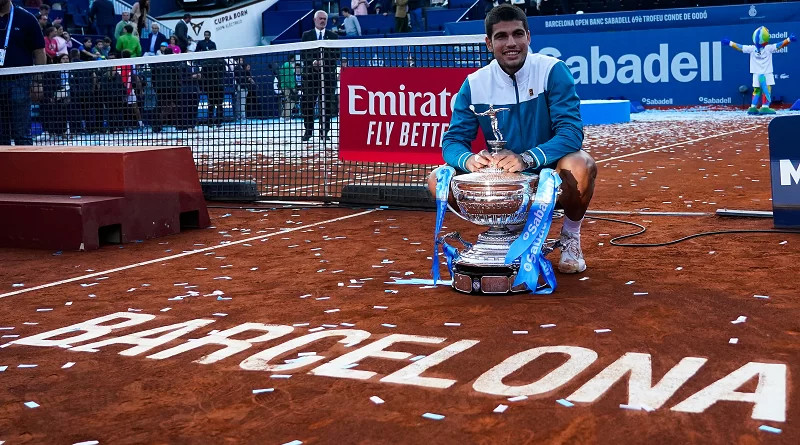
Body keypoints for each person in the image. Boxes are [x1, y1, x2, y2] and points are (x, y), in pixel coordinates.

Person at [428, 4, 595, 274]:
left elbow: (571, 133)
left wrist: (527, 158)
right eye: (501, 37)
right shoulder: (474, 83)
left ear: (529, 36)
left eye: (518, 34)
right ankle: (504, 227)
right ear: (488, 43)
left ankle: (570, 237)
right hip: (501, 180)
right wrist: (469, 160)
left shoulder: (553, 70)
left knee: (581, 164)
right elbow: (452, 141)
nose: (511, 43)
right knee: (437, 179)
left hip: (547, 174)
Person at [0, 0, 46, 145]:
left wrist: (38, 81)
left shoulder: (26, 18)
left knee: (22, 133)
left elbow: (39, 51)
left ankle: (26, 167)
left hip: (20, 81)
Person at [722, 27, 796, 115]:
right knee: (767, 90)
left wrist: (729, 42)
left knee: (756, 90)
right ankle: (765, 107)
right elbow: (780, 45)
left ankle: (752, 107)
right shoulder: (769, 48)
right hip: (767, 73)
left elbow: (740, 47)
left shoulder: (752, 49)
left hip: (756, 74)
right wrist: (789, 39)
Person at [300, 10, 340, 141]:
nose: (323, 21)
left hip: (327, 77)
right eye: (320, 18)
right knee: (307, 104)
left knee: (327, 105)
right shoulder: (306, 35)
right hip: (310, 77)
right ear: (315, 20)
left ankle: (324, 132)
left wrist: (324, 62)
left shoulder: (333, 36)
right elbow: (303, 54)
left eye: (325, 19)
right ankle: (308, 131)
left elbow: (336, 55)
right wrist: (313, 62)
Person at [276, 54, 297, 121]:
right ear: (292, 58)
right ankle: (286, 117)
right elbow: (288, 77)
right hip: (288, 86)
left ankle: (283, 116)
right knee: (291, 101)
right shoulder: (288, 65)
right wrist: (292, 87)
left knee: (288, 101)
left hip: (284, 85)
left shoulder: (285, 65)